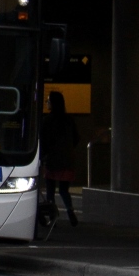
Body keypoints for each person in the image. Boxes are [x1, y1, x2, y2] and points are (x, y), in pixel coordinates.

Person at [41, 91, 80, 226]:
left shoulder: (47, 120)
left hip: (52, 159)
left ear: (52, 103)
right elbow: (76, 138)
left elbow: (44, 141)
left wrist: (43, 155)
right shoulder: (69, 119)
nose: (46, 103)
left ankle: (52, 217)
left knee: (50, 190)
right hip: (67, 160)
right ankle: (70, 211)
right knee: (64, 190)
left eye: (48, 101)